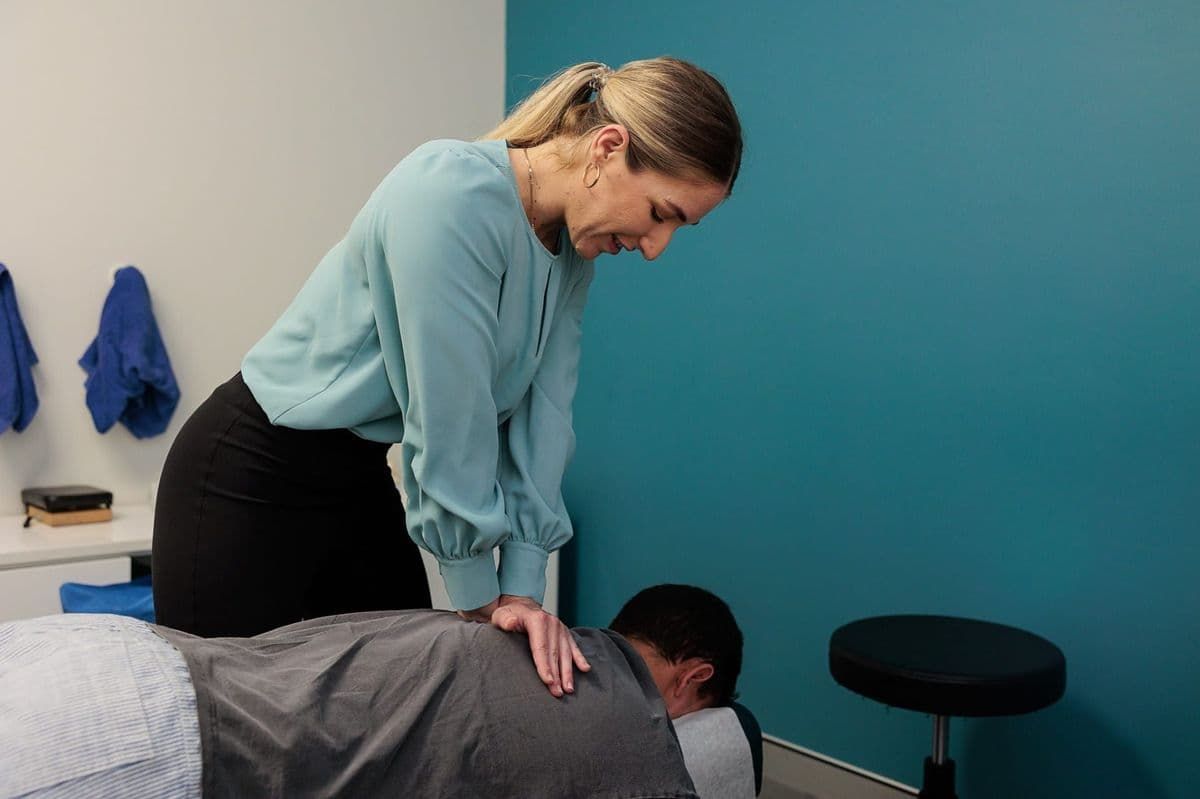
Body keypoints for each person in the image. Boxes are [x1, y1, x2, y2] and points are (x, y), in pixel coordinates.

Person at [151, 56, 744, 698]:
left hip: (355, 479)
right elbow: (447, 418)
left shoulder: (571, 255)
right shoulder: (449, 192)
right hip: (250, 476)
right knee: (231, 730)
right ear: (607, 147)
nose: (656, 247)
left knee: (392, 717)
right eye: (662, 214)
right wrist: (479, 602)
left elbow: (545, 424)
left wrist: (522, 587)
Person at [0, 585, 746, 799]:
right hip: (136, 745)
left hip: (111, 650)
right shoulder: (633, 745)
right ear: (694, 679)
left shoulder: (489, 625)